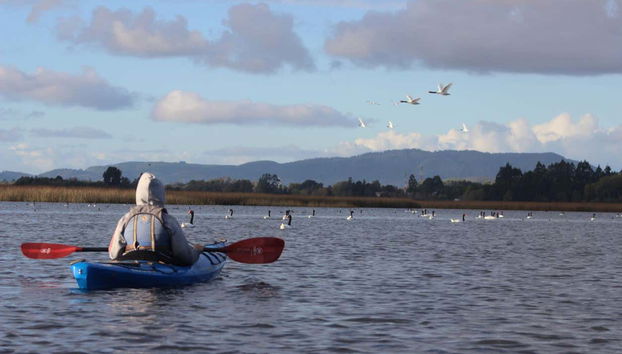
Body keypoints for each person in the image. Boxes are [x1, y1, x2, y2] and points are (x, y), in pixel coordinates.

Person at [108, 172, 201, 266]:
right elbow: (185, 257)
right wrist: (196, 251)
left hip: (131, 262)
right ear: (161, 193)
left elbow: (113, 254)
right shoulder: (168, 220)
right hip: (162, 264)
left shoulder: (125, 219)